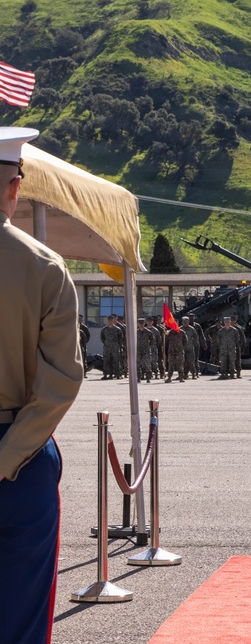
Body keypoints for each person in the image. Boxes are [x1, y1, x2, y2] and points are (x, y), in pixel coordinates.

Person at [0, 126, 85, 644]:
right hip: (22, 458)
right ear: (16, 186)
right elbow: (59, 383)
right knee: (23, 617)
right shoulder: (44, 266)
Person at [100, 314, 123, 379]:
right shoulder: (104, 329)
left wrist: (117, 345)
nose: (110, 321)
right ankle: (106, 374)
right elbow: (102, 338)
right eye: (109, 320)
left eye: (111, 320)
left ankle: (118, 374)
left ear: (113, 321)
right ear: (107, 321)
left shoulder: (117, 329)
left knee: (116, 361)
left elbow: (121, 338)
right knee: (106, 361)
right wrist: (106, 343)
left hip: (115, 347)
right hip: (107, 347)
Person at [79, 314, 91, 378]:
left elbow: (87, 336)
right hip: (75, 347)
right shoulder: (73, 326)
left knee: (83, 360)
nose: (79, 320)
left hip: (82, 346)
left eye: (80, 319)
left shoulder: (84, 328)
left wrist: (84, 343)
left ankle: (84, 373)